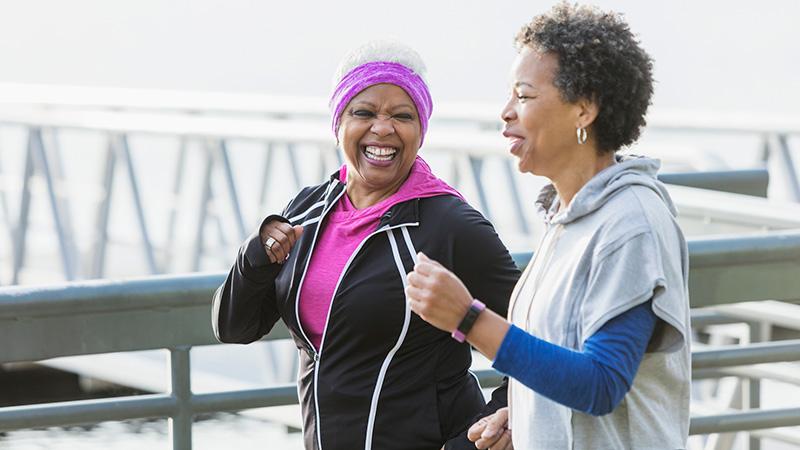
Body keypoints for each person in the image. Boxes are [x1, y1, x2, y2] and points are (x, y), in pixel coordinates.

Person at [406, 4, 691, 450]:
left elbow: (601, 383)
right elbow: (567, 369)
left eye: (523, 95)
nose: (505, 112)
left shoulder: (631, 224)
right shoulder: (568, 219)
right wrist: (524, 411)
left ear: (584, 109)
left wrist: (467, 318)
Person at [211, 40, 520, 450]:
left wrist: (498, 421)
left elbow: (536, 340)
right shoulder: (307, 210)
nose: (383, 128)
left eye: (402, 116)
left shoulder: (451, 225)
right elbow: (234, 327)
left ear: (420, 130)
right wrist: (254, 259)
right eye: (364, 112)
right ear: (339, 122)